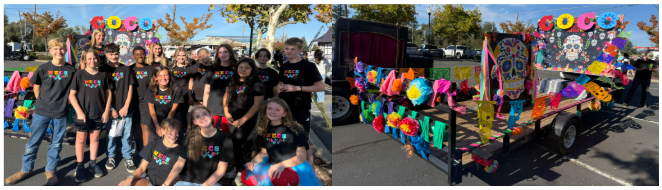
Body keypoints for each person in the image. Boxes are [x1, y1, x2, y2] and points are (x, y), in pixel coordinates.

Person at [5, 38, 77, 186]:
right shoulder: (43, 68)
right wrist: (43, 103)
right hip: (41, 112)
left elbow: (74, 91)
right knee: (33, 142)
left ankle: (50, 170)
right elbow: (36, 87)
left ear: (65, 50)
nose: (59, 51)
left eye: (61, 49)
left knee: (56, 144)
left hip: (61, 112)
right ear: (50, 51)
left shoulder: (72, 70)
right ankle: (26, 169)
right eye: (55, 49)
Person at [245, 98, 322, 186]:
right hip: (272, 166)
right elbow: (264, 152)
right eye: (270, 108)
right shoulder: (264, 129)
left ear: (284, 113)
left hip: (293, 167)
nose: (272, 112)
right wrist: (253, 162)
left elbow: (301, 157)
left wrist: (281, 165)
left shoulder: (295, 129)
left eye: (277, 110)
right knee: (247, 176)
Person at [277, 37, 325, 168]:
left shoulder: (308, 66)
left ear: (300, 50)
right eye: (286, 48)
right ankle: (290, 164)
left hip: (301, 106)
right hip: (284, 107)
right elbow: (280, 82)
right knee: (286, 135)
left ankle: (309, 169)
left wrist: (297, 88)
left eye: (292, 49)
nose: (289, 51)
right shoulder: (284, 66)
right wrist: (280, 86)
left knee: (302, 138)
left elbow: (321, 87)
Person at [69, 49, 113, 182]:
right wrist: (79, 112)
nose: (92, 61)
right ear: (84, 60)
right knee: (81, 140)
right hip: (83, 114)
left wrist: (106, 111)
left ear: (98, 59)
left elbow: (109, 93)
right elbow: (72, 95)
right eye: (89, 59)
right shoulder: (79, 74)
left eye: (94, 58)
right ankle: (80, 166)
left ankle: (93, 164)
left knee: (94, 138)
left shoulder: (103, 75)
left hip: (98, 113)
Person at [162, 105, 234, 186]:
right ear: (194, 121)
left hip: (211, 183)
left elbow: (221, 170)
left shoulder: (226, 139)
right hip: (187, 182)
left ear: (211, 115)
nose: (202, 117)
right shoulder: (190, 136)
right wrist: (165, 184)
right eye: (197, 116)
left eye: (204, 114)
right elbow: (180, 163)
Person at [99, 43, 137, 173]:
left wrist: (126, 106)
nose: (114, 56)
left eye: (116, 53)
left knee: (126, 134)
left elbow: (130, 88)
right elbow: (102, 91)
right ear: (106, 54)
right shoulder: (102, 69)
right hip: (110, 108)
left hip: (126, 108)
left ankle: (128, 156)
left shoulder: (126, 69)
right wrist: (111, 109)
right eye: (111, 54)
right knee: (111, 134)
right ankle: (111, 156)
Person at [223, 58, 265, 172]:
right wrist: (226, 113)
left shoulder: (257, 83)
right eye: (241, 67)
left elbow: (257, 105)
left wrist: (242, 120)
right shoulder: (233, 80)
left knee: (242, 143)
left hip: (247, 119)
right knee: (235, 143)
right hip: (231, 117)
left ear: (252, 69)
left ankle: (242, 169)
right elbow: (226, 98)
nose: (243, 70)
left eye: (247, 68)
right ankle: (237, 167)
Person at [118, 119, 184, 186]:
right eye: (170, 133)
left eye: (176, 133)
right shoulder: (154, 144)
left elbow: (177, 177)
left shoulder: (181, 152)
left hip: (166, 185)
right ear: (162, 131)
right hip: (149, 181)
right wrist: (130, 178)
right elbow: (142, 167)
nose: (174, 136)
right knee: (125, 184)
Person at [203, 44, 236, 134]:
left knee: (227, 133)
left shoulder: (237, 69)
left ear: (230, 53)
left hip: (230, 107)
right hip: (213, 106)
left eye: (225, 52)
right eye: (220, 52)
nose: (223, 55)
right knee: (208, 131)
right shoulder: (211, 69)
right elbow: (206, 91)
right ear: (217, 55)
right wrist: (205, 107)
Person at [147, 66, 185, 140]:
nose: (164, 78)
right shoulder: (151, 89)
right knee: (155, 148)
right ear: (155, 78)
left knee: (173, 146)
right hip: (157, 121)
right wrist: (157, 127)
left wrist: (165, 128)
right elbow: (151, 110)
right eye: (160, 75)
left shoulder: (177, 89)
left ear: (169, 76)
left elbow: (173, 110)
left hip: (173, 121)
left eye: (166, 75)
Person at [130, 46, 156, 147]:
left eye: (142, 54)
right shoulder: (130, 69)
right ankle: (137, 146)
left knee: (145, 126)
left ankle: (145, 150)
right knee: (135, 126)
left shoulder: (151, 69)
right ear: (133, 56)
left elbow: (154, 86)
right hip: (133, 102)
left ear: (145, 55)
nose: (140, 56)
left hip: (146, 102)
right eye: (137, 54)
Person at [171, 47, 192, 132]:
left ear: (186, 56)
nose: (181, 57)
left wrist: (190, 96)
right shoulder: (170, 68)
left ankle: (183, 136)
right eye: (179, 55)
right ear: (175, 56)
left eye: (183, 55)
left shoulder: (189, 68)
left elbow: (191, 82)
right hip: (173, 95)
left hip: (185, 95)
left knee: (183, 117)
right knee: (173, 115)